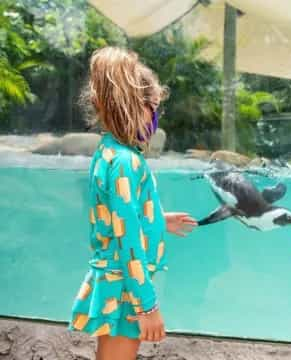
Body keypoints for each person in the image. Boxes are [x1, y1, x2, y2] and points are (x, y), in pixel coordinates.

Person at [69, 47, 197, 360]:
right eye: (153, 107)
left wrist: (158, 219)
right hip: (126, 287)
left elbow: (117, 217)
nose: (155, 117)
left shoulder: (108, 152)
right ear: (131, 106)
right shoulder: (127, 162)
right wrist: (147, 306)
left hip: (117, 279)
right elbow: (127, 243)